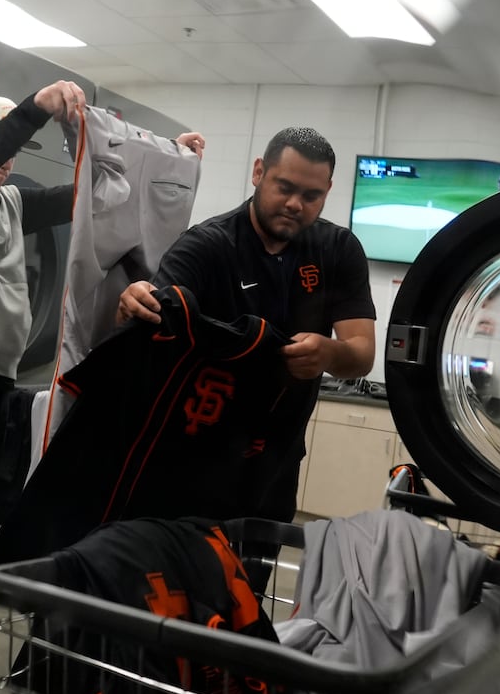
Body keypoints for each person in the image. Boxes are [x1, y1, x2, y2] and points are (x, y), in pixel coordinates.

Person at [0, 80, 203, 694]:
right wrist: (33, 112)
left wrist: (164, 159)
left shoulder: (12, 202)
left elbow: (91, 198)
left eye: (8, 154)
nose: (5, 162)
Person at [115, 126, 377, 526]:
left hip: (276, 460)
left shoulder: (338, 251)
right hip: (193, 458)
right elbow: (154, 313)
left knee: (247, 583)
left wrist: (329, 352)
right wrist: (137, 301)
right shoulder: (207, 245)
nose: (294, 204)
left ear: (327, 191)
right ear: (259, 172)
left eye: (311, 196)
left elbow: (361, 354)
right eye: (284, 187)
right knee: (181, 577)